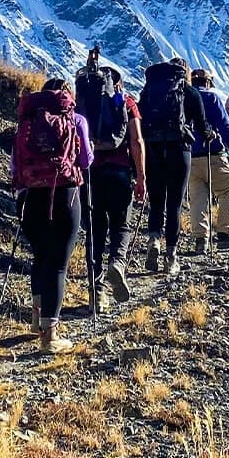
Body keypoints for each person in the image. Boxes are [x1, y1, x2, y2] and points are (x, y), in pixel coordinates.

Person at [10, 79, 93, 353]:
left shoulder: (26, 121)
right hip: (65, 195)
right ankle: (50, 334)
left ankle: (36, 319)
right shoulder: (76, 119)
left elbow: (15, 164)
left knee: (40, 257)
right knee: (59, 263)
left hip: (31, 195)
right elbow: (86, 160)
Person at [73, 57, 144, 306]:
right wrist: (142, 178)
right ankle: (118, 262)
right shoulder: (126, 102)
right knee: (121, 226)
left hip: (90, 174)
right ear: (117, 83)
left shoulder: (81, 103)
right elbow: (136, 142)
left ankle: (97, 293)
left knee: (95, 232)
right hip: (120, 172)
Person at [139, 57, 208, 275]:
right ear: (185, 72)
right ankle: (171, 256)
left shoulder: (149, 90)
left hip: (153, 149)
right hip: (180, 150)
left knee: (157, 200)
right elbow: (202, 125)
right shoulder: (189, 92)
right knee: (175, 204)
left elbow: (140, 117)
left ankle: (154, 241)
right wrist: (209, 135)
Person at [184, 69, 229, 253]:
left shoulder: (184, 97)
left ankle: (200, 239)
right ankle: (224, 234)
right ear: (208, 82)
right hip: (214, 154)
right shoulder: (212, 98)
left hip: (190, 156)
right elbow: (225, 128)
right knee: (227, 190)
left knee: (197, 198)